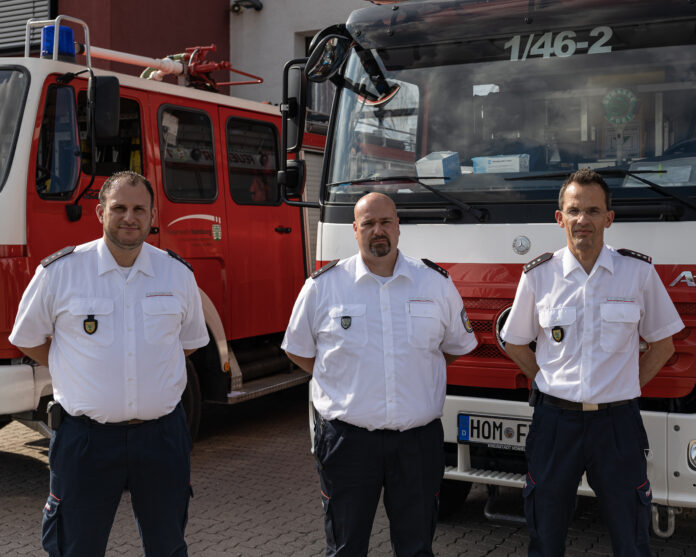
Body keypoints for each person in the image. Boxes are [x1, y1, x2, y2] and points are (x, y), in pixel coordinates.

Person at [9, 170, 209, 557]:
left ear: (153, 216)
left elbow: (185, 345)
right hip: (85, 441)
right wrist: (75, 367)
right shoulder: (60, 272)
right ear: (100, 212)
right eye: (119, 208)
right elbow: (28, 339)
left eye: (139, 209)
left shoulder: (177, 274)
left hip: (161, 438)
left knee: (167, 545)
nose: (129, 217)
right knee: (76, 547)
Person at [282, 192, 478, 556]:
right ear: (354, 230)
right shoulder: (324, 286)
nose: (378, 231)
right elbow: (299, 350)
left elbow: (454, 346)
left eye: (385, 221)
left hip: (417, 444)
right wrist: (344, 382)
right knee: (345, 547)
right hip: (347, 443)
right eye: (368, 223)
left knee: (417, 547)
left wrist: (414, 372)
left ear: (398, 227)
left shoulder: (434, 283)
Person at [501, 169, 684, 556]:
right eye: (574, 210)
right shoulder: (538, 276)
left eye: (593, 211)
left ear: (608, 219)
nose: (583, 220)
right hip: (555, 425)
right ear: (559, 218)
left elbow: (664, 344)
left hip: (617, 427)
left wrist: (624, 385)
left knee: (631, 538)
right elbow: (515, 342)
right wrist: (547, 377)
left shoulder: (637, 273)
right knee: (545, 538)